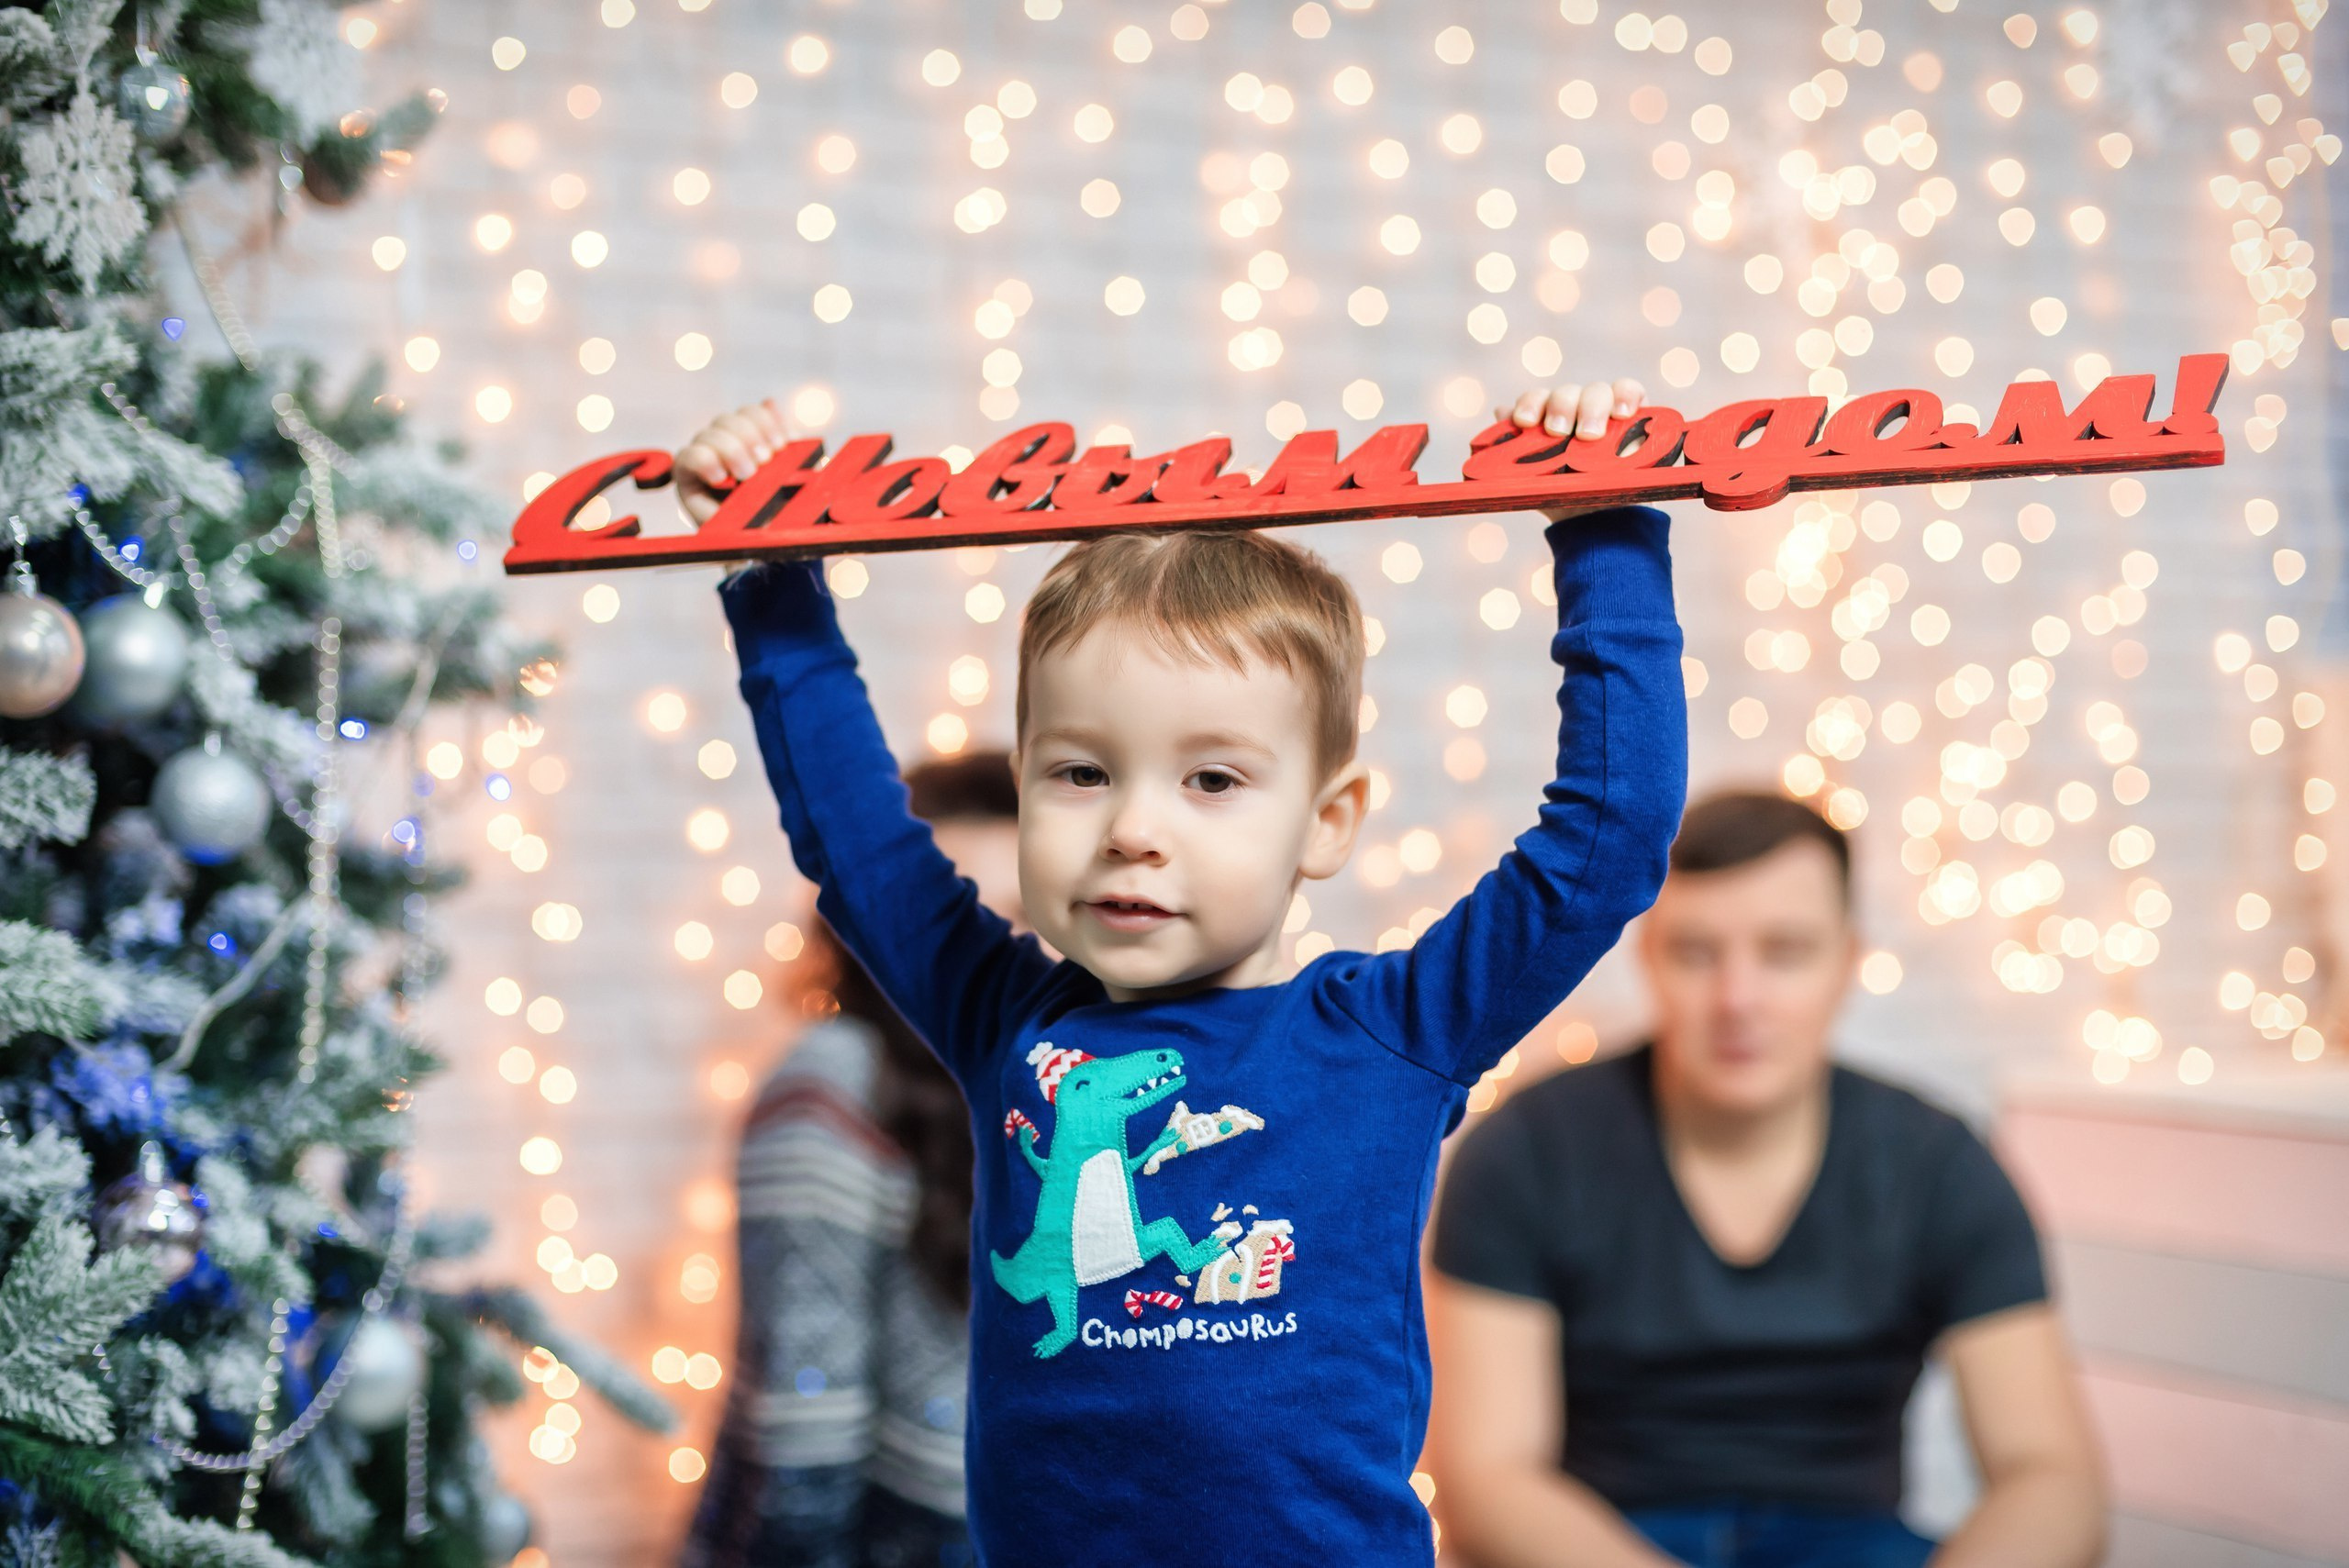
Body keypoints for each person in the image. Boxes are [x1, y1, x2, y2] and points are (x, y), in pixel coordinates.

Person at [673, 376, 1687, 1563]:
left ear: (1328, 820)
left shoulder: (1395, 1030)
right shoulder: (1005, 1018)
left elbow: (1607, 840)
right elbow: (855, 840)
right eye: (1080, 773)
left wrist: (1606, 526)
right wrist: (771, 566)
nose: (1132, 830)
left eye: (1211, 780)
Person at [1426, 790, 2107, 1568]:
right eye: (1697, 952)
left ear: (1849, 962)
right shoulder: (1526, 1149)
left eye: (1784, 951)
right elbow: (1488, 1482)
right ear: (1647, 954)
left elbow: (2051, 1479)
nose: (1737, 999)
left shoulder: (1939, 1163)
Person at [683, 752, 1020, 1568]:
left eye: (1025, 916)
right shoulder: (833, 1083)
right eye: (957, 919)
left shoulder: (1048, 1083)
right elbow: (806, 1436)